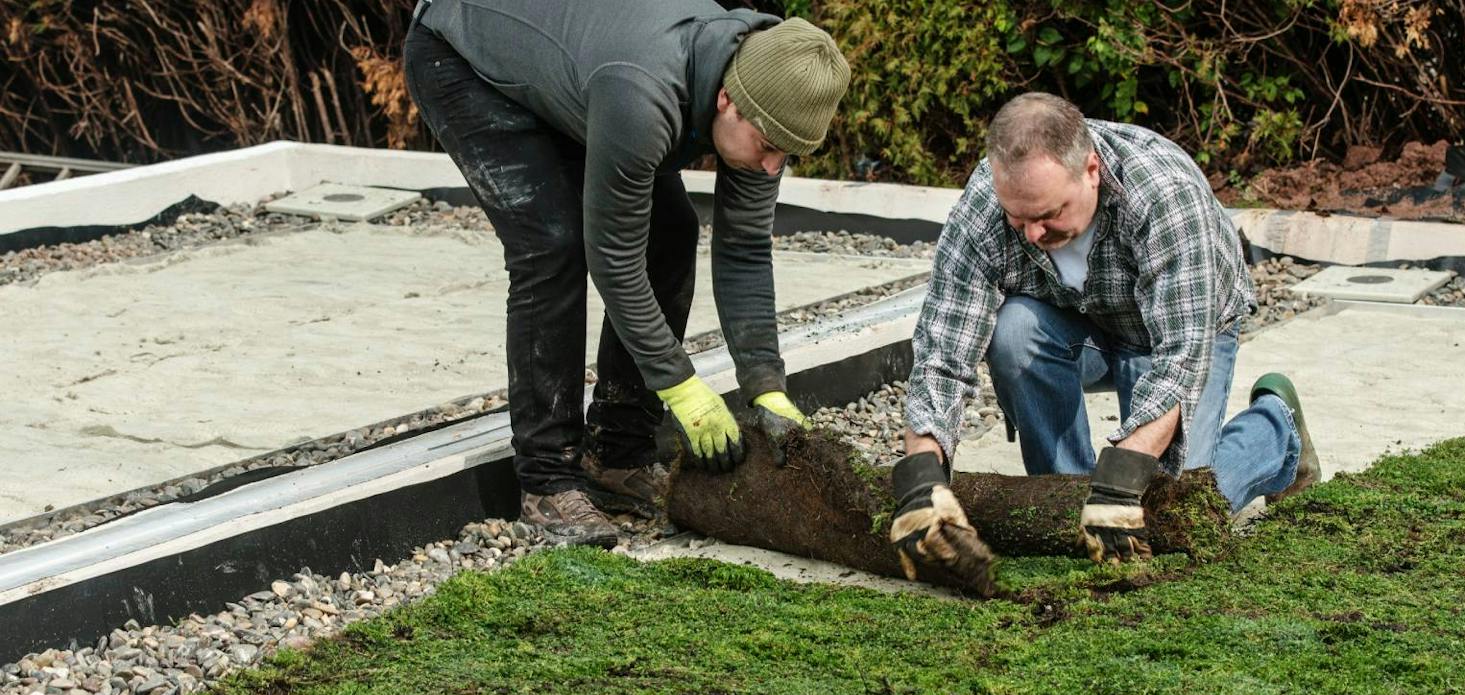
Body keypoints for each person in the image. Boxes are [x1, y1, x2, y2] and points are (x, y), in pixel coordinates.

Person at [404, 0, 850, 547]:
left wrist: (766, 387)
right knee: (552, 246)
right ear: (727, 99)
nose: (771, 167)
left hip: (586, 72)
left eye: (789, 155)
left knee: (672, 233)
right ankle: (547, 480)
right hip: (462, 55)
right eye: (768, 148)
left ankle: (614, 454)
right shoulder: (643, 92)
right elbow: (612, 259)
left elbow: (745, 250)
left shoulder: (768, 95)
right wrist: (681, 385)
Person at [889, 92, 1318, 579]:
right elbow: (943, 352)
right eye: (1018, 218)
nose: (1031, 232)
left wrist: (1124, 479)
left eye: (1049, 214)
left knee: (1173, 509)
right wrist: (922, 474)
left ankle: (1277, 429)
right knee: (1014, 331)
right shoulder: (985, 208)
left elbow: (1181, 358)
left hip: (1176, 337)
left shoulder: (1163, 196)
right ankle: (1069, 498)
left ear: (1091, 170)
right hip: (1081, 324)